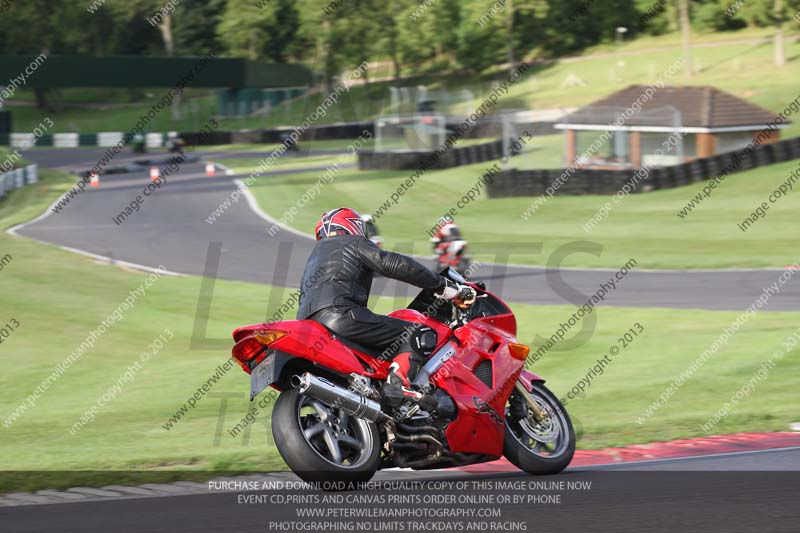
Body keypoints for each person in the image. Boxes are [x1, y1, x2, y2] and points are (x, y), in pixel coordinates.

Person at [297, 207, 461, 394]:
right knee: (420, 333)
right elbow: (395, 264)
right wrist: (441, 284)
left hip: (310, 326)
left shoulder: (312, 261)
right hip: (341, 317)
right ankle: (396, 387)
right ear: (354, 226)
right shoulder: (353, 242)